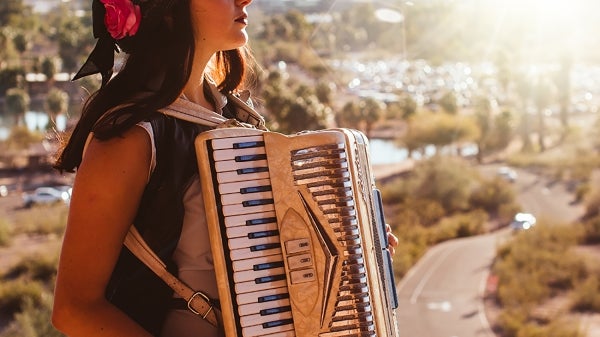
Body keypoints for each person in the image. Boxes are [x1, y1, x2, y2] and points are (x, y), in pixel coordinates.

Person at [51, 0, 399, 336]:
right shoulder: (130, 137)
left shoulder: (232, 117)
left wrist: (353, 249)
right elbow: (75, 309)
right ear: (167, 9)